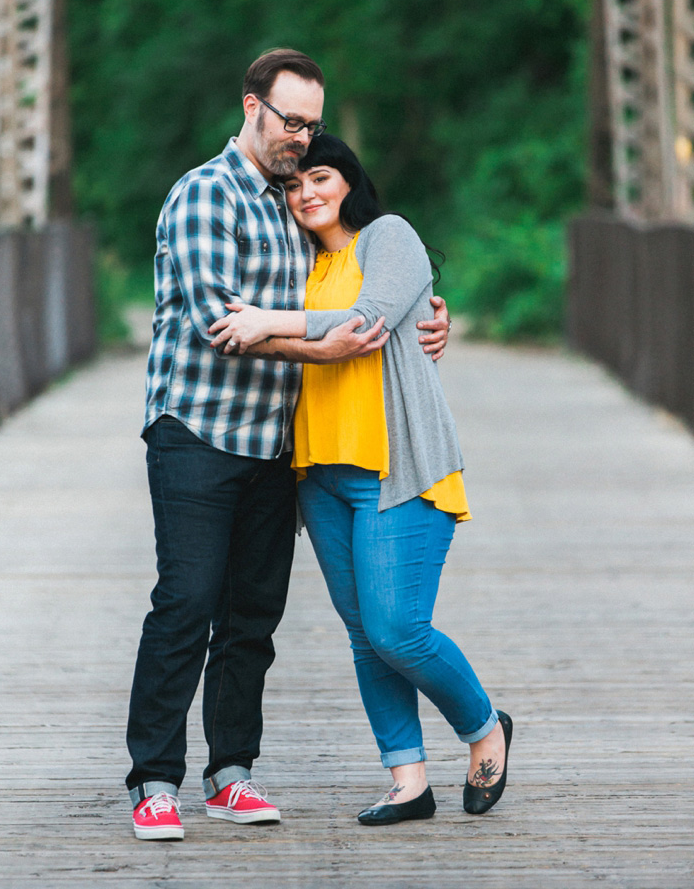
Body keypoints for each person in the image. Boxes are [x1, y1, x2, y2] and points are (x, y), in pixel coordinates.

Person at [128, 48, 452, 841]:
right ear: (251, 107)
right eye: (290, 122)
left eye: (313, 125)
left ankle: (230, 772)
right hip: (197, 431)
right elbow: (222, 326)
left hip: (277, 445)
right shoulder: (206, 194)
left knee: (252, 614)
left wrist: (427, 318)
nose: (302, 140)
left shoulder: (296, 205)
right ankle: (155, 779)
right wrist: (330, 348)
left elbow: (360, 284)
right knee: (187, 601)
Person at [208, 134, 511, 824]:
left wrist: (264, 323)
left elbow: (365, 319)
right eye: (293, 185)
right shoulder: (294, 266)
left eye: (321, 177)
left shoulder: (388, 237)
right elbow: (281, 337)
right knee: (361, 631)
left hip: (396, 470)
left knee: (398, 629)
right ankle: (407, 778)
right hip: (319, 476)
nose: (307, 192)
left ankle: (484, 725)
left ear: (349, 181)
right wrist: (268, 322)